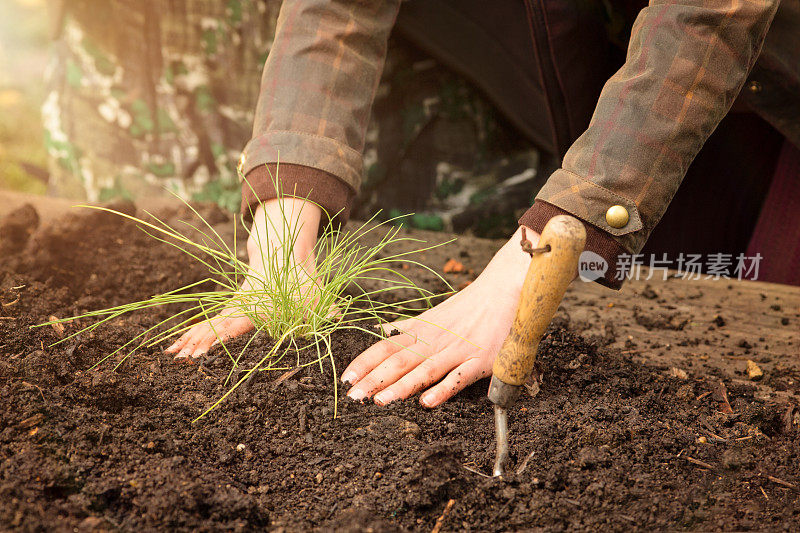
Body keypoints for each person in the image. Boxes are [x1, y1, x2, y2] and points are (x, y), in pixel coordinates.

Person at [56, 1, 800, 406]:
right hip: (616, 87)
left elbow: (709, 18)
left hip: (760, 89)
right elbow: (335, 12)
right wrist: (284, 233)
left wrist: (529, 266)